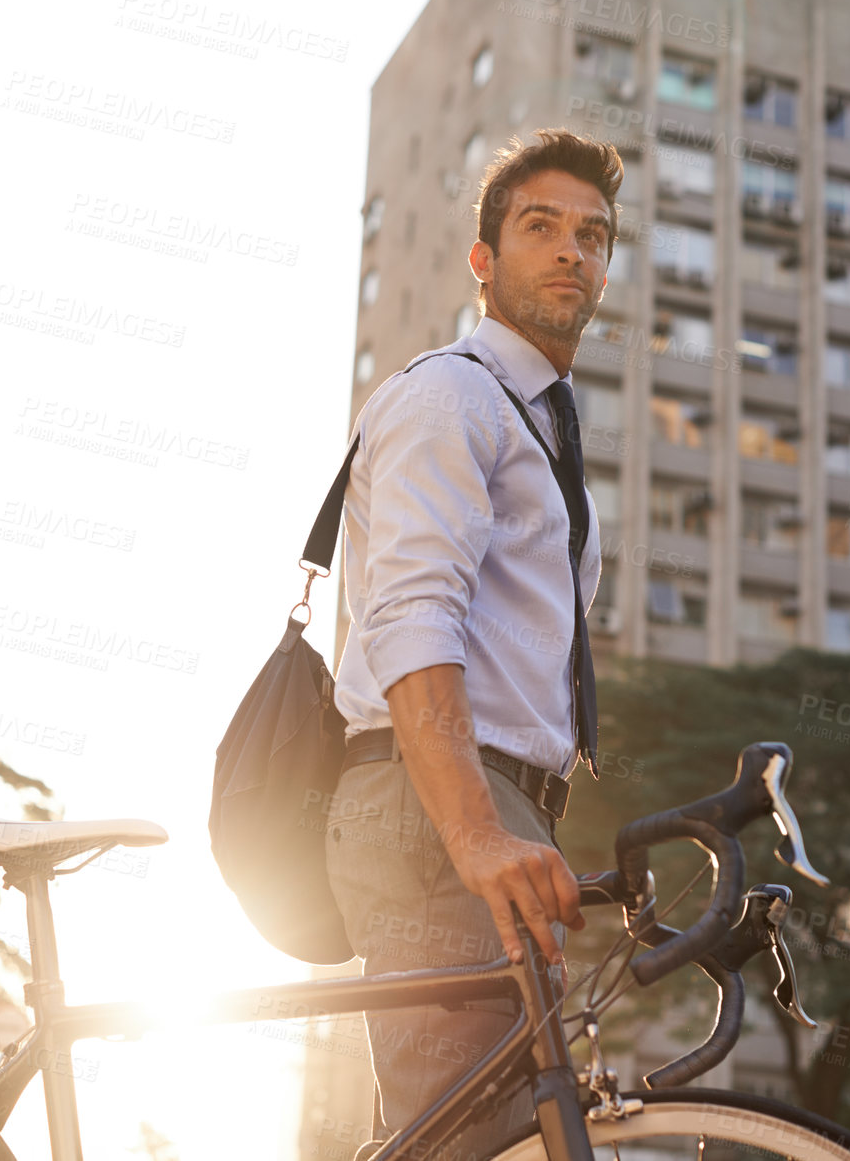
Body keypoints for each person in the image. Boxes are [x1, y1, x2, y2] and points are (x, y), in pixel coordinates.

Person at [326, 128, 624, 1160]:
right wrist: (475, 832)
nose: (570, 251)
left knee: (467, 1140)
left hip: (496, 803)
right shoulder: (454, 395)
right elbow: (412, 617)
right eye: (539, 226)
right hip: (436, 801)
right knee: (476, 1147)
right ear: (482, 260)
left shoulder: (541, 427)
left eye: (593, 234)